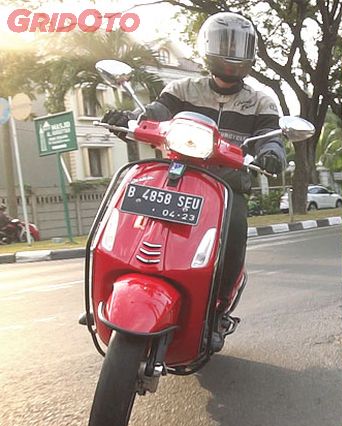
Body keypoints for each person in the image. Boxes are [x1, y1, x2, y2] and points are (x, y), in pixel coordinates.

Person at [102, 12, 285, 307]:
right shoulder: (182, 89)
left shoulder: (261, 102)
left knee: (235, 231)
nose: (231, 53)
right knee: (122, 213)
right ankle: (106, 289)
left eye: (238, 46)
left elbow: (270, 136)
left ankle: (220, 301)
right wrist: (127, 120)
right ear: (208, 46)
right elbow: (154, 113)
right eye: (224, 44)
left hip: (226, 188)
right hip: (175, 178)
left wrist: (271, 154)